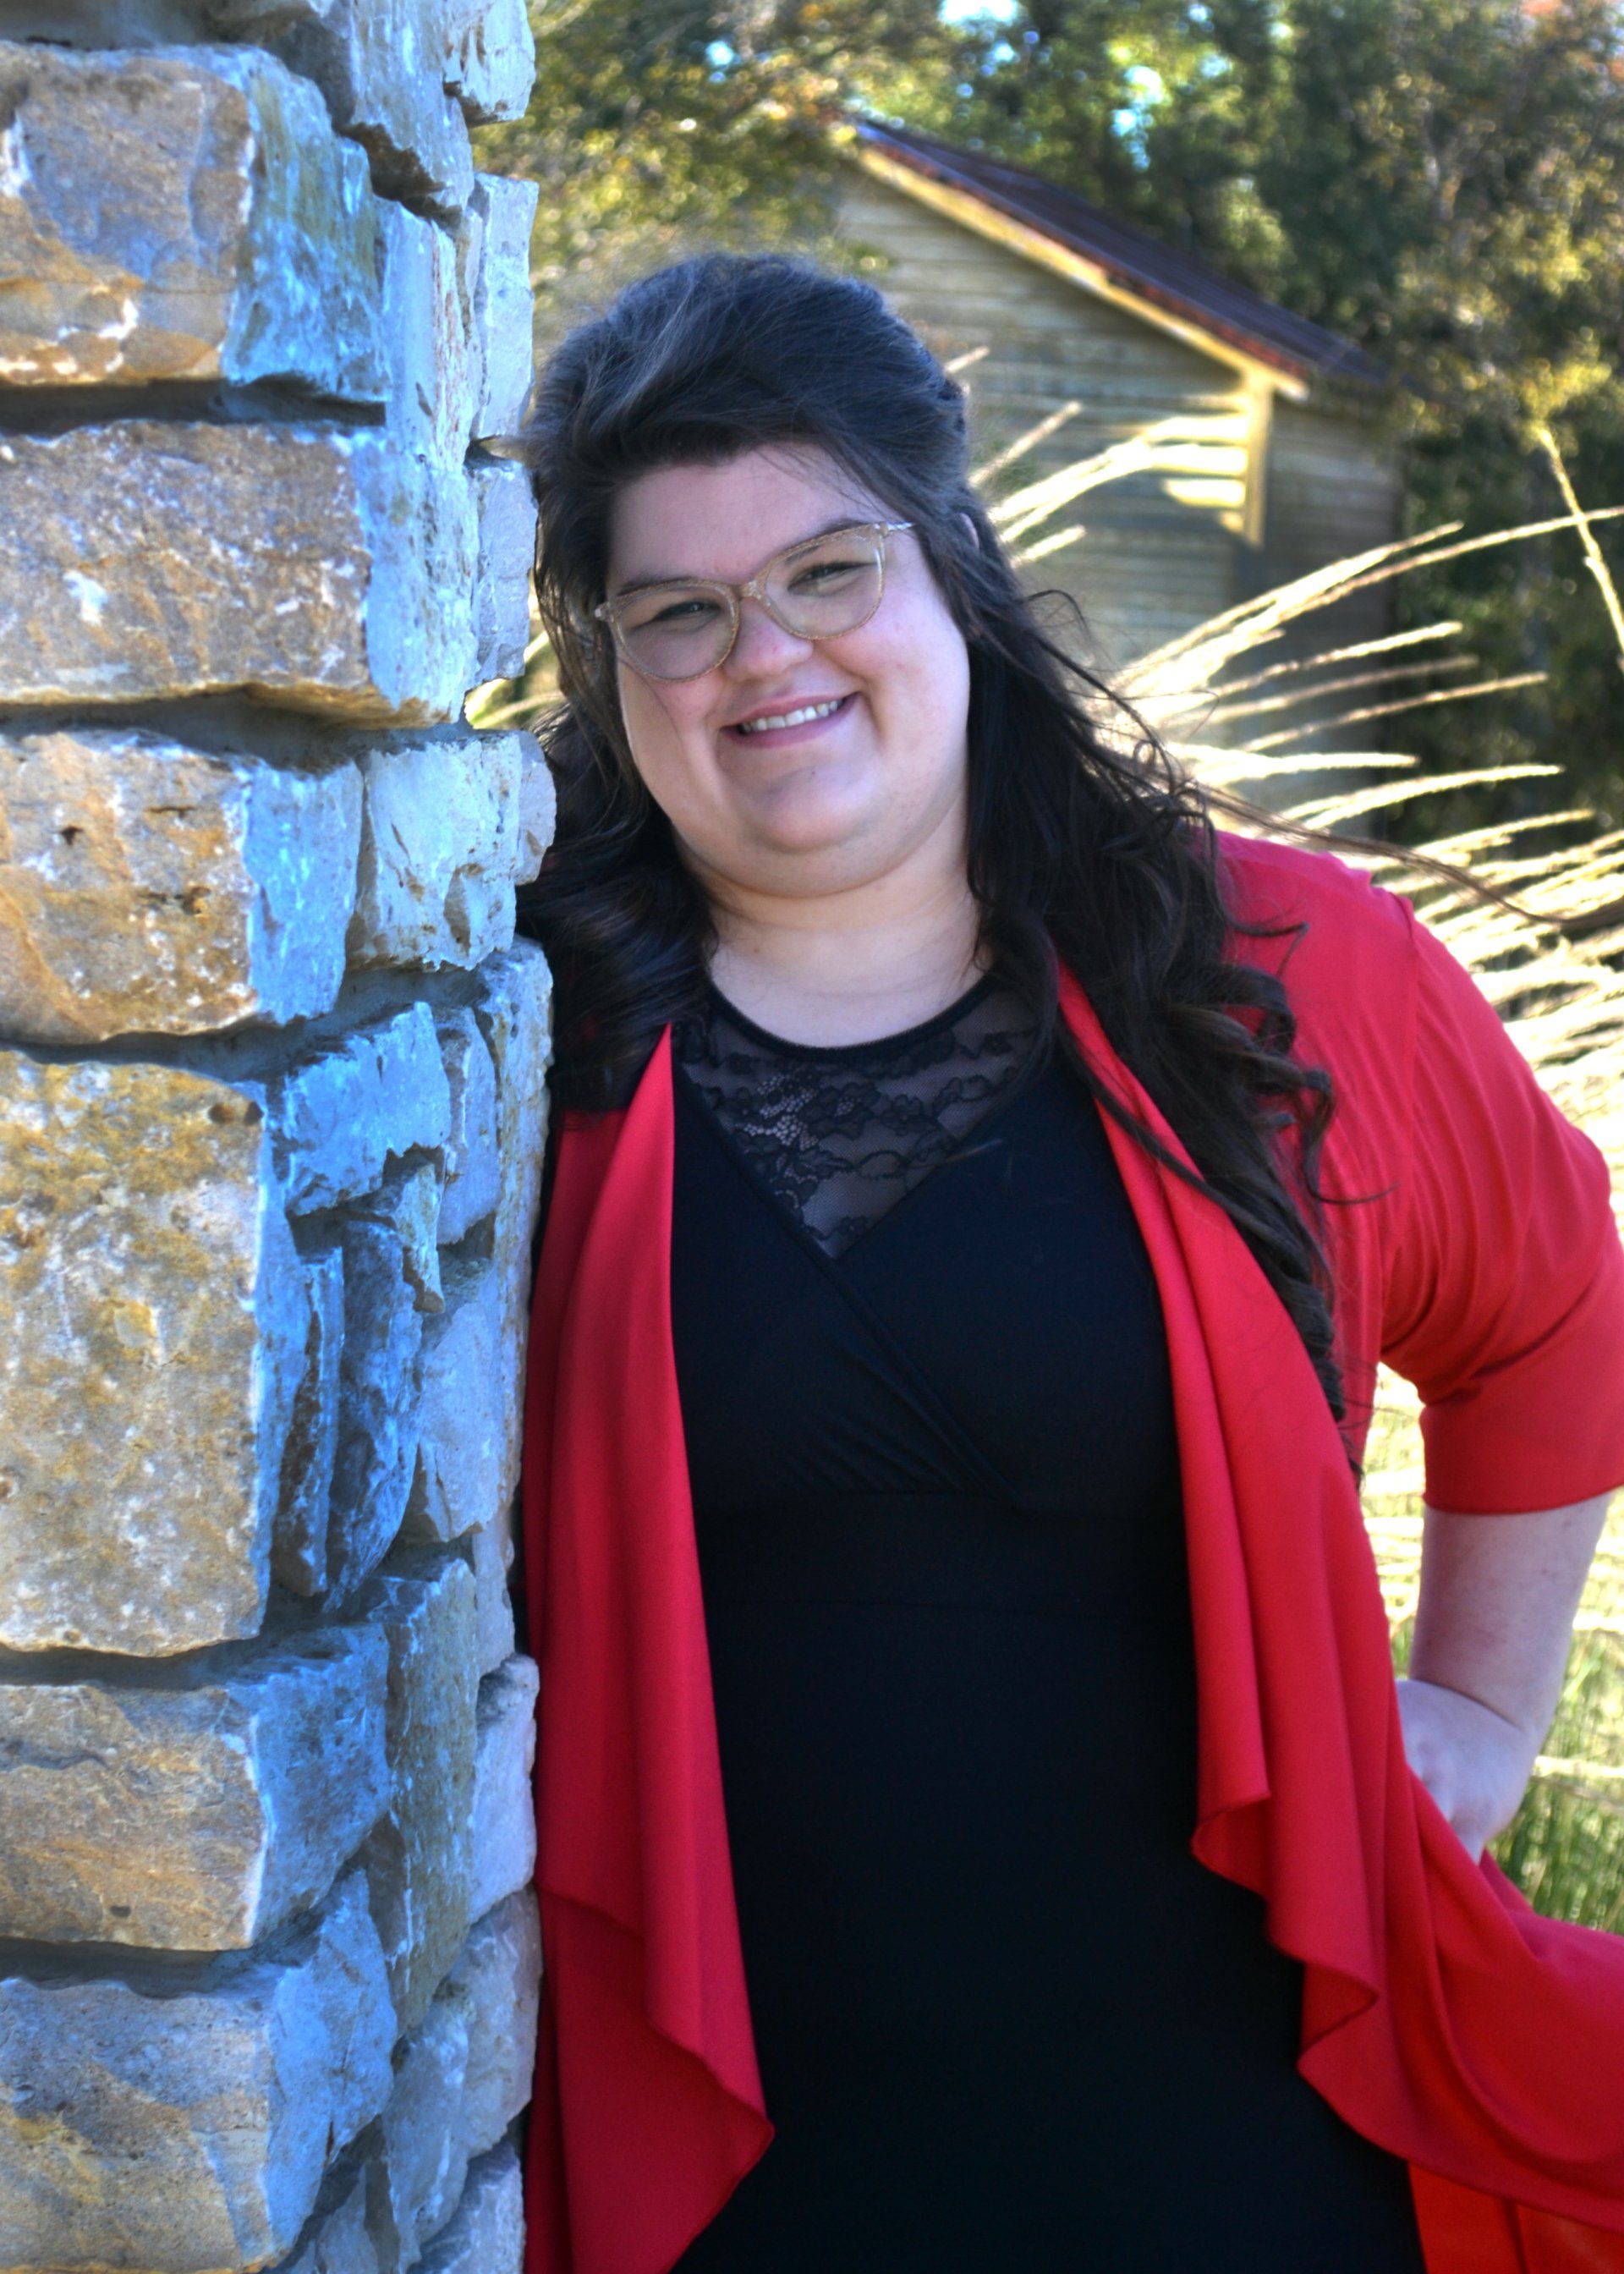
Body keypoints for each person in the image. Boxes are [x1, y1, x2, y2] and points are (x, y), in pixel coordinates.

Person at [513, 251, 1624, 2274]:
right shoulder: (531, 1053)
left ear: (951, 568)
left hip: (1244, 2114)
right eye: (679, 610)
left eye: (829, 569)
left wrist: (1472, 1704)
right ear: (616, 667)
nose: (765, 653)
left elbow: (1557, 1322)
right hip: (751, 2142)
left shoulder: (1277, 976)